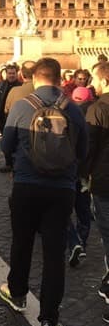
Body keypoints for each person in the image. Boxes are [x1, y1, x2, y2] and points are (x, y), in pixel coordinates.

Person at [0, 58, 88, 326]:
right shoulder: (73, 108)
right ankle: (50, 321)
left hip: (26, 184)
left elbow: (6, 143)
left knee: (22, 242)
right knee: (54, 253)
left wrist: (16, 162)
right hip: (61, 189)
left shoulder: (23, 106)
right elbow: (83, 149)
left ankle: (18, 294)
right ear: (60, 79)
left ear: (35, 79)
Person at [82, 60, 109, 321]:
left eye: (95, 79)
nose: (92, 84)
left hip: (105, 182)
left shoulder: (98, 108)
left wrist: (81, 175)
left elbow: (89, 149)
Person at [67, 86, 94, 267]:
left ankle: (74, 242)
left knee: (64, 211)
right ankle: (82, 241)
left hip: (67, 172)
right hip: (85, 174)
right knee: (84, 212)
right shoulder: (95, 114)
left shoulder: (67, 114)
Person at [0, 64, 20, 171]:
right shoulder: (0, 85)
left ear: (17, 74)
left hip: (16, 117)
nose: (11, 75)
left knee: (17, 141)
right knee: (6, 141)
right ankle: (8, 163)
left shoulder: (20, 86)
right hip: (3, 117)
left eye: (13, 73)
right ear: (6, 74)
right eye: (9, 73)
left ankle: (16, 163)